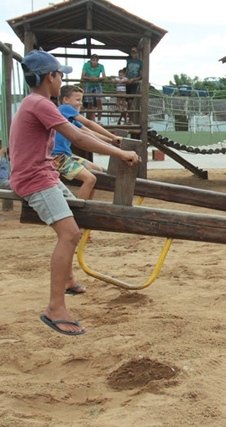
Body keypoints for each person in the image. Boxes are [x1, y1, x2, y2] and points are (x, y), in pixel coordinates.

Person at [10, 49, 140, 336]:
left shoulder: (34, 102)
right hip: (36, 180)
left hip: (45, 174)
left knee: (78, 217)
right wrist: (121, 152)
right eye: (59, 76)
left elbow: (84, 131)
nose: (60, 82)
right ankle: (55, 307)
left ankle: (67, 280)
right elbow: (79, 136)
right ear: (50, 77)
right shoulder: (41, 104)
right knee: (69, 233)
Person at [51, 85, 123, 201]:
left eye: (81, 100)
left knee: (97, 170)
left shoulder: (70, 120)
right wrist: (113, 136)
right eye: (78, 100)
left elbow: (89, 133)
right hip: (56, 157)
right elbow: (89, 123)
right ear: (66, 100)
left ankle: (88, 204)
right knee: (90, 179)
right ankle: (79, 208)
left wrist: (111, 141)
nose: (80, 103)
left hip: (66, 156)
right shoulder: (64, 109)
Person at [81, 54, 106, 121]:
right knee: (90, 104)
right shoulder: (86, 65)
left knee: (99, 101)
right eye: (93, 60)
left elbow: (104, 77)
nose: (94, 62)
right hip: (88, 84)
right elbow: (83, 76)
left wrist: (96, 79)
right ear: (91, 60)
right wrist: (90, 78)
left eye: (96, 60)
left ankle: (99, 120)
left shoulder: (101, 66)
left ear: (98, 61)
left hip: (97, 84)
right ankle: (92, 120)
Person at [125, 47, 143, 117]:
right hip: (128, 82)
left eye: (135, 52)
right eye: (132, 53)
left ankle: (131, 119)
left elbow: (141, 76)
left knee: (130, 101)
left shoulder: (140, 63)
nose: (134, 54)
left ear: (137, 53)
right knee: (126, 102)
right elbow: (127, 72)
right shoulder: (129, 62)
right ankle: (127, 118)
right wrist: (125, 79)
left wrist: (134, 79)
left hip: (134, 83)